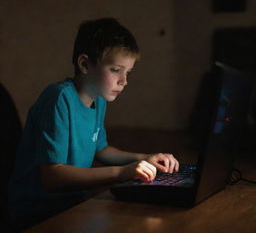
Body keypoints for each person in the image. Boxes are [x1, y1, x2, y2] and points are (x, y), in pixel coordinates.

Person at [8, 18, 179, 229]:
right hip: (38, 214)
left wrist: (146, 159)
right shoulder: (59, 98)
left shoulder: (98, 100)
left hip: (72, 207)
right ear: (85, 64)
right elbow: (52, 176)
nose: (124, 81)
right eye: (116, 70)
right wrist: (122, 172)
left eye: (128, 72)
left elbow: (101, 149)